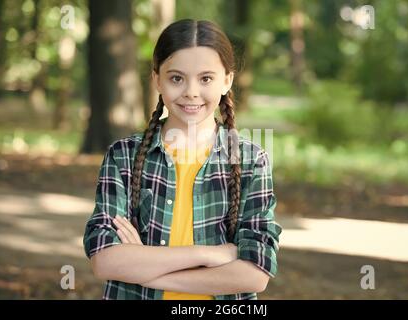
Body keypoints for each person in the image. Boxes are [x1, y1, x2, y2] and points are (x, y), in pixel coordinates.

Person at [83, 18, 282, 300]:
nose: (191, 91)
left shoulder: (250, 160)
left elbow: (254, 273)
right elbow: (104, 261)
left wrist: (142, 263)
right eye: (177, 78)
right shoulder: (123, 156)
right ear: (157, 80)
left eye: (206, 78)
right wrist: (209, 254)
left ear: (227, 80)